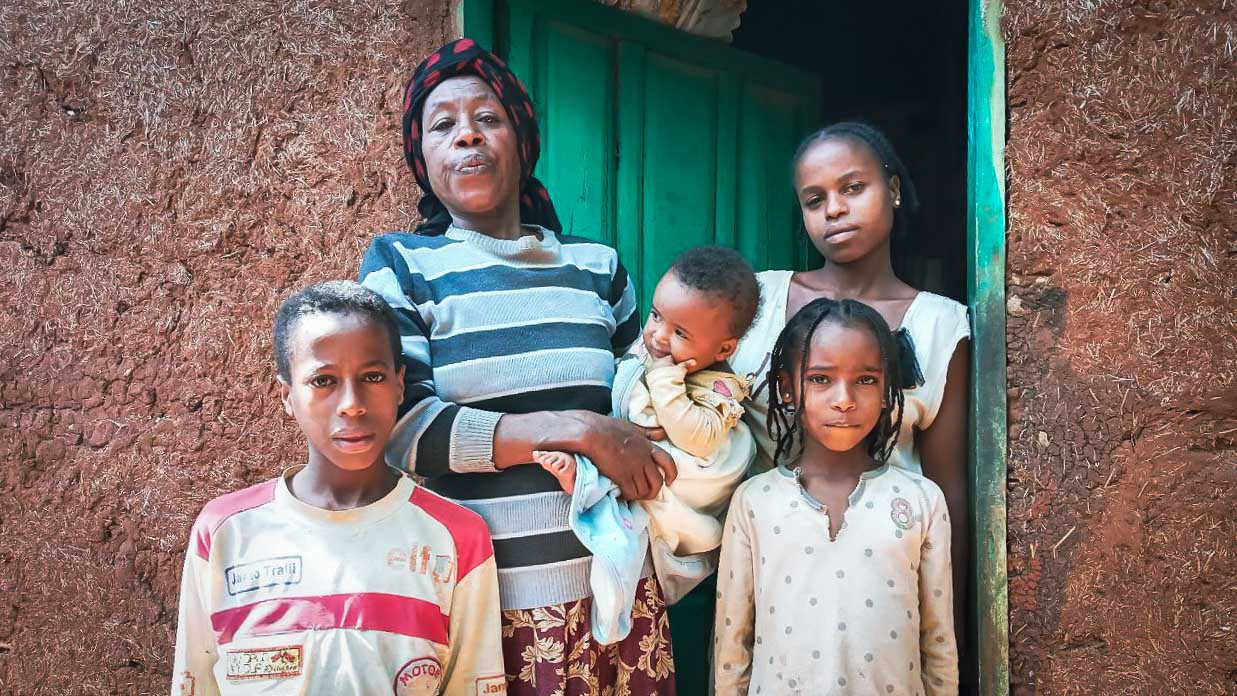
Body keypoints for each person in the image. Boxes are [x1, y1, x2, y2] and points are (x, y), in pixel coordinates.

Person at [359, 39, 677, 694]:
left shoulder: (597, 268)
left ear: (522, 138)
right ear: (421, 157)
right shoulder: (402, 266)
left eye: (488, 118)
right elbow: (406, 431)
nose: (467, 137)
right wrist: (579, 431)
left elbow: (645, 397)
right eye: (443, 125)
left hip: (618, 597)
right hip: (484, 609)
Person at [171, 281, 505, 696]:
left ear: (400, 384)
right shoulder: (226, 532)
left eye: (372, 376)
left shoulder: (456, 538)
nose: (351, 403)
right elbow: (196, 682)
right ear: (287, 395)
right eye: (324, 381)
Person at [730, 121, 970, 636]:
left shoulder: (940, 324)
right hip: (769, 577)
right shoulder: (756, 299)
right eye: (814, 200)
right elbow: (662, 367)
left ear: (895, 190)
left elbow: (948, 487)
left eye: (853, 188)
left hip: (887, 594)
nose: (833, 209)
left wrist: (954, 635)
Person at [714, 298, 958, 695]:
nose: (844, 399)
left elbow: (939, 644)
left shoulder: (920, 502)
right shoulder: (755, 502)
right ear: (787, 390)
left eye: (865, 380)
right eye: (820, 379)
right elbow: (731, 647)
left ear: (886, 390)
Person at [533, 245, 760, 615]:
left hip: (690, 474)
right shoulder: (652, 352)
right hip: (644, 452)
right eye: (656, 315)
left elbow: (696, 438)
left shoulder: (720, 388)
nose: (658, 335)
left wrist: (664, 379)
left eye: (680, 332)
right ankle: (594, 479)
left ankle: (594, 481)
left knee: (666, 478)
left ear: (724, 347)